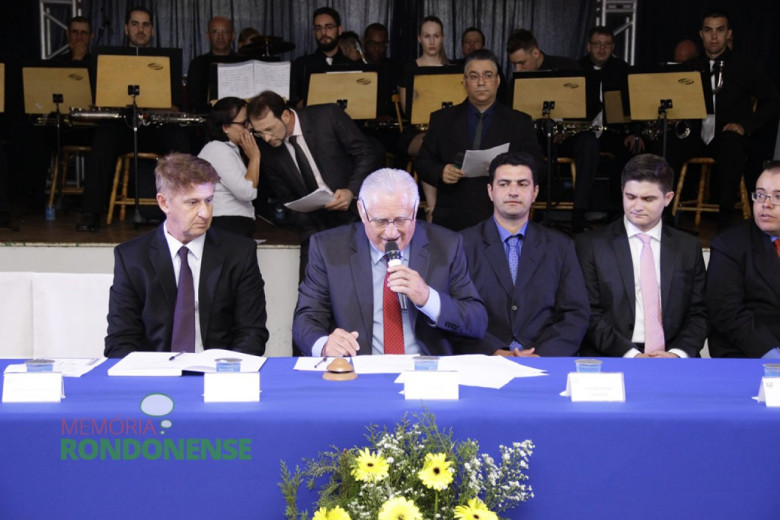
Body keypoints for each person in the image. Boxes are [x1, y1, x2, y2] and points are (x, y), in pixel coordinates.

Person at [293, 167, 487, 357]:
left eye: (402, 220)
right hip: (361, 372)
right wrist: (325, 345)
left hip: (425, 372)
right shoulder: (329, 248)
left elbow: (477, 321)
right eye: (381, 221)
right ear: (362, 210)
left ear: (415, 209)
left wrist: (428, 298)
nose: (391, 233)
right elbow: (306, 319)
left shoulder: (446, 245)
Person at [105, 153, 269, 358]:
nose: (205, 213)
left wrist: (226, 375)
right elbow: (120, 340)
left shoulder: (239, 252)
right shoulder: (132, 257)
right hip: (156, 378)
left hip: (219, 373)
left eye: (208, 200)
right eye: (192, 203)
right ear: (164, 203)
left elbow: (252, 333)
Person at [575, 154, 707, 358]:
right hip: (612, 355)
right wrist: (630, 354)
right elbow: (588, 312)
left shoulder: (687, 247)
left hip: (673, 356)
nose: (637, 206)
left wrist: (678, 354)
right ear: (622, 192)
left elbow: (699, 312)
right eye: (631, 197)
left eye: (648, 199)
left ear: (668, 198)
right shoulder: (592, 245)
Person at [459, 151, 588, 356]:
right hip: (484, 363)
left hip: (546, 362)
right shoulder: (461, 245)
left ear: (535, 192)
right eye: (504, 184)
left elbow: (575, 314)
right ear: (490, 191)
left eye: (522, 184)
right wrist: (492, 351)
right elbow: (455, 312)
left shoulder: (560, 247)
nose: (513, 191)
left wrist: (543, 355)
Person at [76, 6, 192, 232]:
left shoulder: (166, 61)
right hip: (122, 125)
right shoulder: (111, 61)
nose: (140, 29)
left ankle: (186, 213)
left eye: (145, 24)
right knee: (102, 140)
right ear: (126, 29)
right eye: (135, 24)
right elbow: (100, 100)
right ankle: (90, 213)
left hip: (155, 126)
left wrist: (152, 101)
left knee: (181, 143)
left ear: (153, 30)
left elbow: (175, 106)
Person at [247, 90, 380, 278]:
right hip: (314, 227)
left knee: (359, 288)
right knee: (309, 296)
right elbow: (286, 197)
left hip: (356, 217)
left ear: (285, 116)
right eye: (260, 133)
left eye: (269, 129)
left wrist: (351, 191)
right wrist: (310, 232)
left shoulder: (327, 116)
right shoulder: (268, 152)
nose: (267, 138)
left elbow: (365, 154)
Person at [666, 10, 780, 228]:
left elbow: (773, 100)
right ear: (701, 34)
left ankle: (724, 218)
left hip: (726, 136)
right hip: (694, 135)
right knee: (667, 145)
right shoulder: (689, 68)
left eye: (720, 30)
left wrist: (746, 126)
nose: (714, 36)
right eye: (708, 30)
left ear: (729, 34)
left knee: (732, 146)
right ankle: (664, 215)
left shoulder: (745, 66)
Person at [415, 49, 542, 231]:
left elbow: (538, 165)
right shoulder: (442, 119)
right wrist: (441, 172)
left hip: (501, 214)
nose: (481, 82)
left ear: (498, 81)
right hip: (452, 214)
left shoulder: (519, 122)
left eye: (487, 76)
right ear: (464, 82)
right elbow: (422, 163)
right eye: (474, 76)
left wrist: (513, 172)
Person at [506, 29, 604, 232]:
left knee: (589, 144)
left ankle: (579, 212)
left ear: (535, 53)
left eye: (522, 63)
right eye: (514, 64)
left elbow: (592, 104)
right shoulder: (517, 79)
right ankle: (531, 212)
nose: (518, 69)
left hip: (569, 135)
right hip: (537, 139)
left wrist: (570, 128)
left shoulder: (568, 67)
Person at [706, 162, 780, 358]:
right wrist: (772, 353)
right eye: (760, 194)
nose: (766, 204)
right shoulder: (729, 243)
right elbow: (726, 311)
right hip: (749, 353)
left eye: (778, 197)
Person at [197, 97, 259, 238]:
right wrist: (255, 158)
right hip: (226, 224)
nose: (249, 127)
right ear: (225, 127)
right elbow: (247, 193)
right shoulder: (218, 149)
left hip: (231, 223)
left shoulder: (226, 149)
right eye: (244, 123)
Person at [290, 6, 351, 107]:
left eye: (329, 27)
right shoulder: (301, 65)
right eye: (318, 28)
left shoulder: (352, 66)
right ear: (314, 32)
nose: (323, 33)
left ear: (339, 30)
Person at [186, 16, 236, 113]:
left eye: (225, 31)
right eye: (215, 32)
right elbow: (193, 100)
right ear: (208, 36)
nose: (220, 36)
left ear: (233, 35)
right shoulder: (198, 64)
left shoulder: (242, 62)